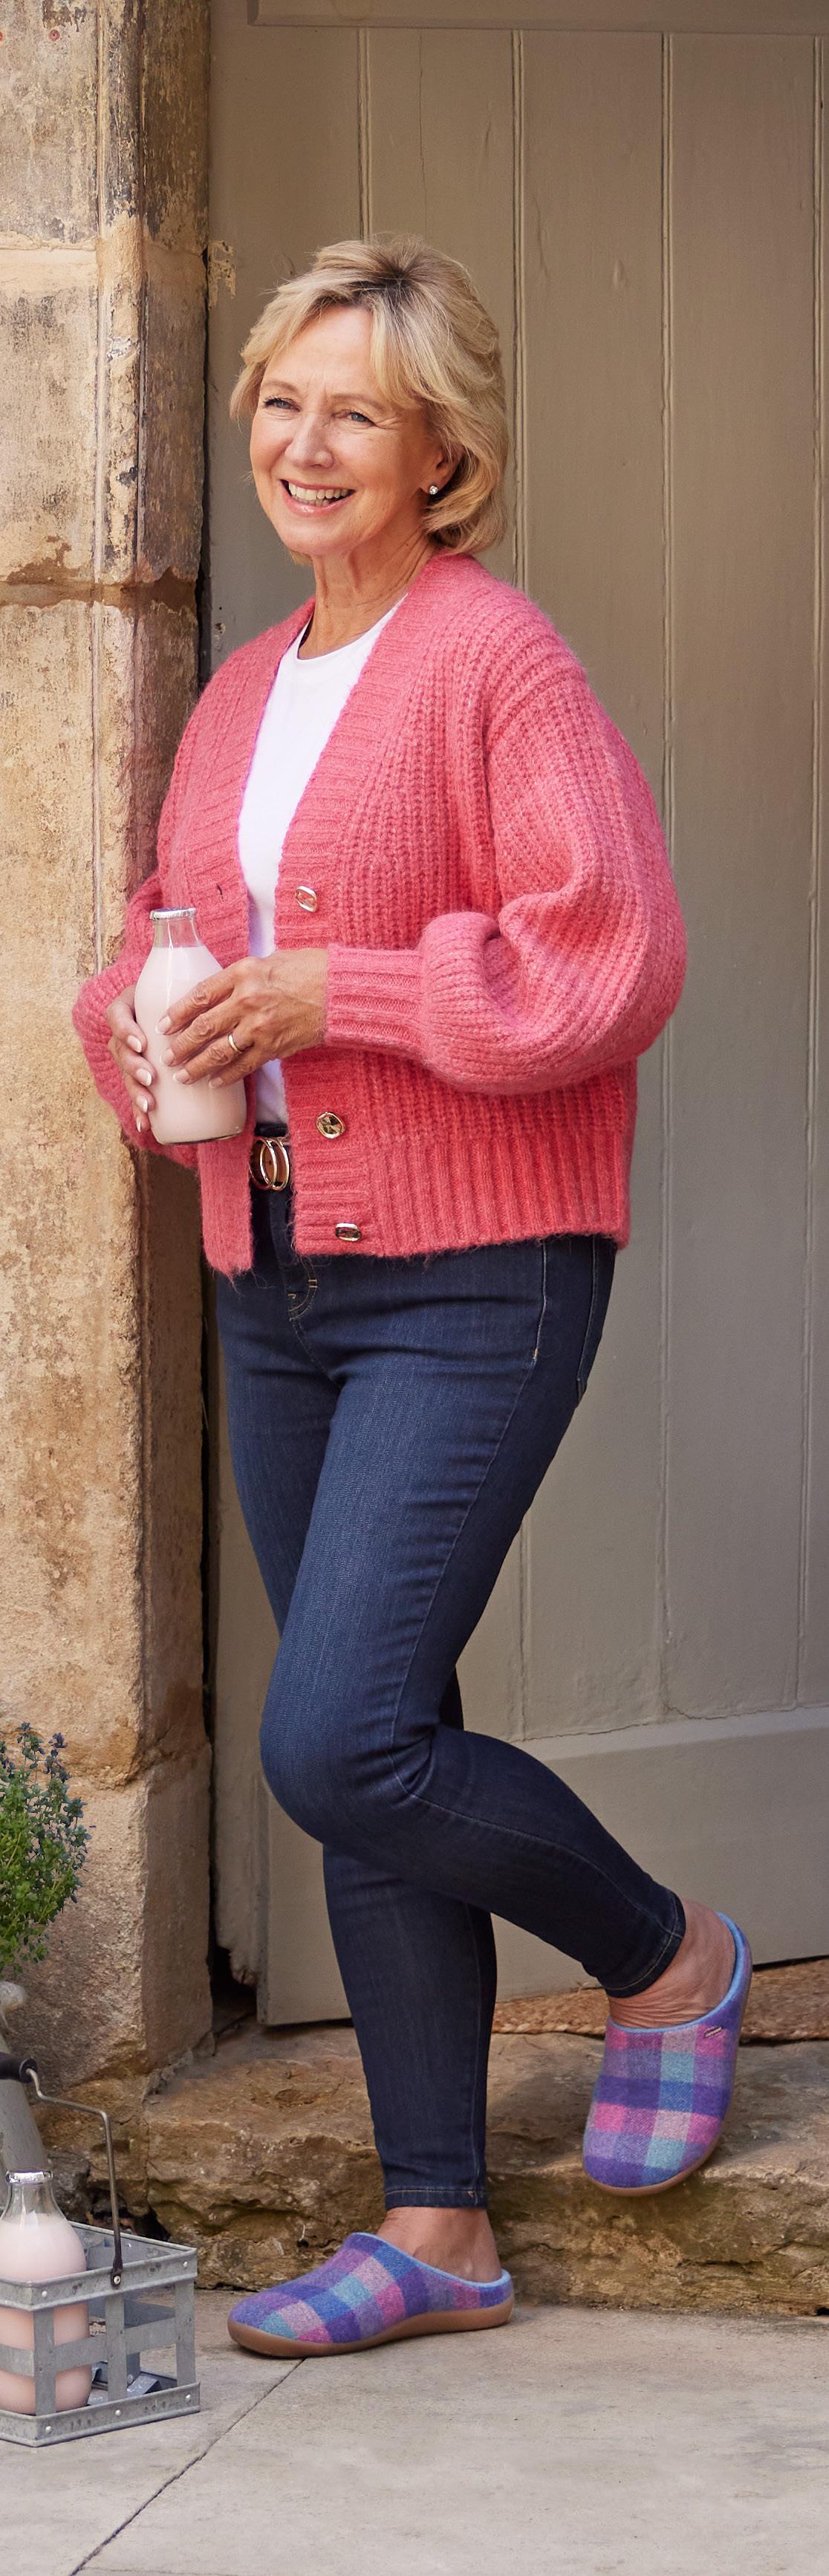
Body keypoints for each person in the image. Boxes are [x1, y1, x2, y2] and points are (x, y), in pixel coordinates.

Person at [74, 236, 751, 2360]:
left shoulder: (495, 661)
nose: (304, 444)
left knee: (338, 1734)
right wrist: (143, 1024)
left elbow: (608, 955)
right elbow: (165, 929)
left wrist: (335, 994)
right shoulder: (238, 695)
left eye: (353, 411)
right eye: (281, 402)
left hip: (477, 1272)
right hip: (277, 1268)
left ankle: (668, 1958)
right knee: (382, 1745)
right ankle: (438, 2223)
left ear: (442, 450)